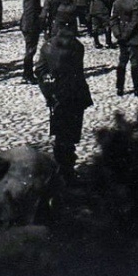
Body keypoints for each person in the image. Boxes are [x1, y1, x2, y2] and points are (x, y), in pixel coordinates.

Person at [35, 19, 93, 181]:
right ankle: (67, 171)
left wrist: (48, 92)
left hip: (56, 96)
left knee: (60, 134)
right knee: (71, 134)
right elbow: (78, 72)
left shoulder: (47, 47)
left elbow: (39, 70)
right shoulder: (77, 46)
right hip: (75, 95)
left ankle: (62, 168)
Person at [20, 0, 44, 84]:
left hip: (30, 25)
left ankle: (28, 74)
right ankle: (27, 75)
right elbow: (30, 14)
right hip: (30, 26)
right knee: (30, 51)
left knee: (31, 50)